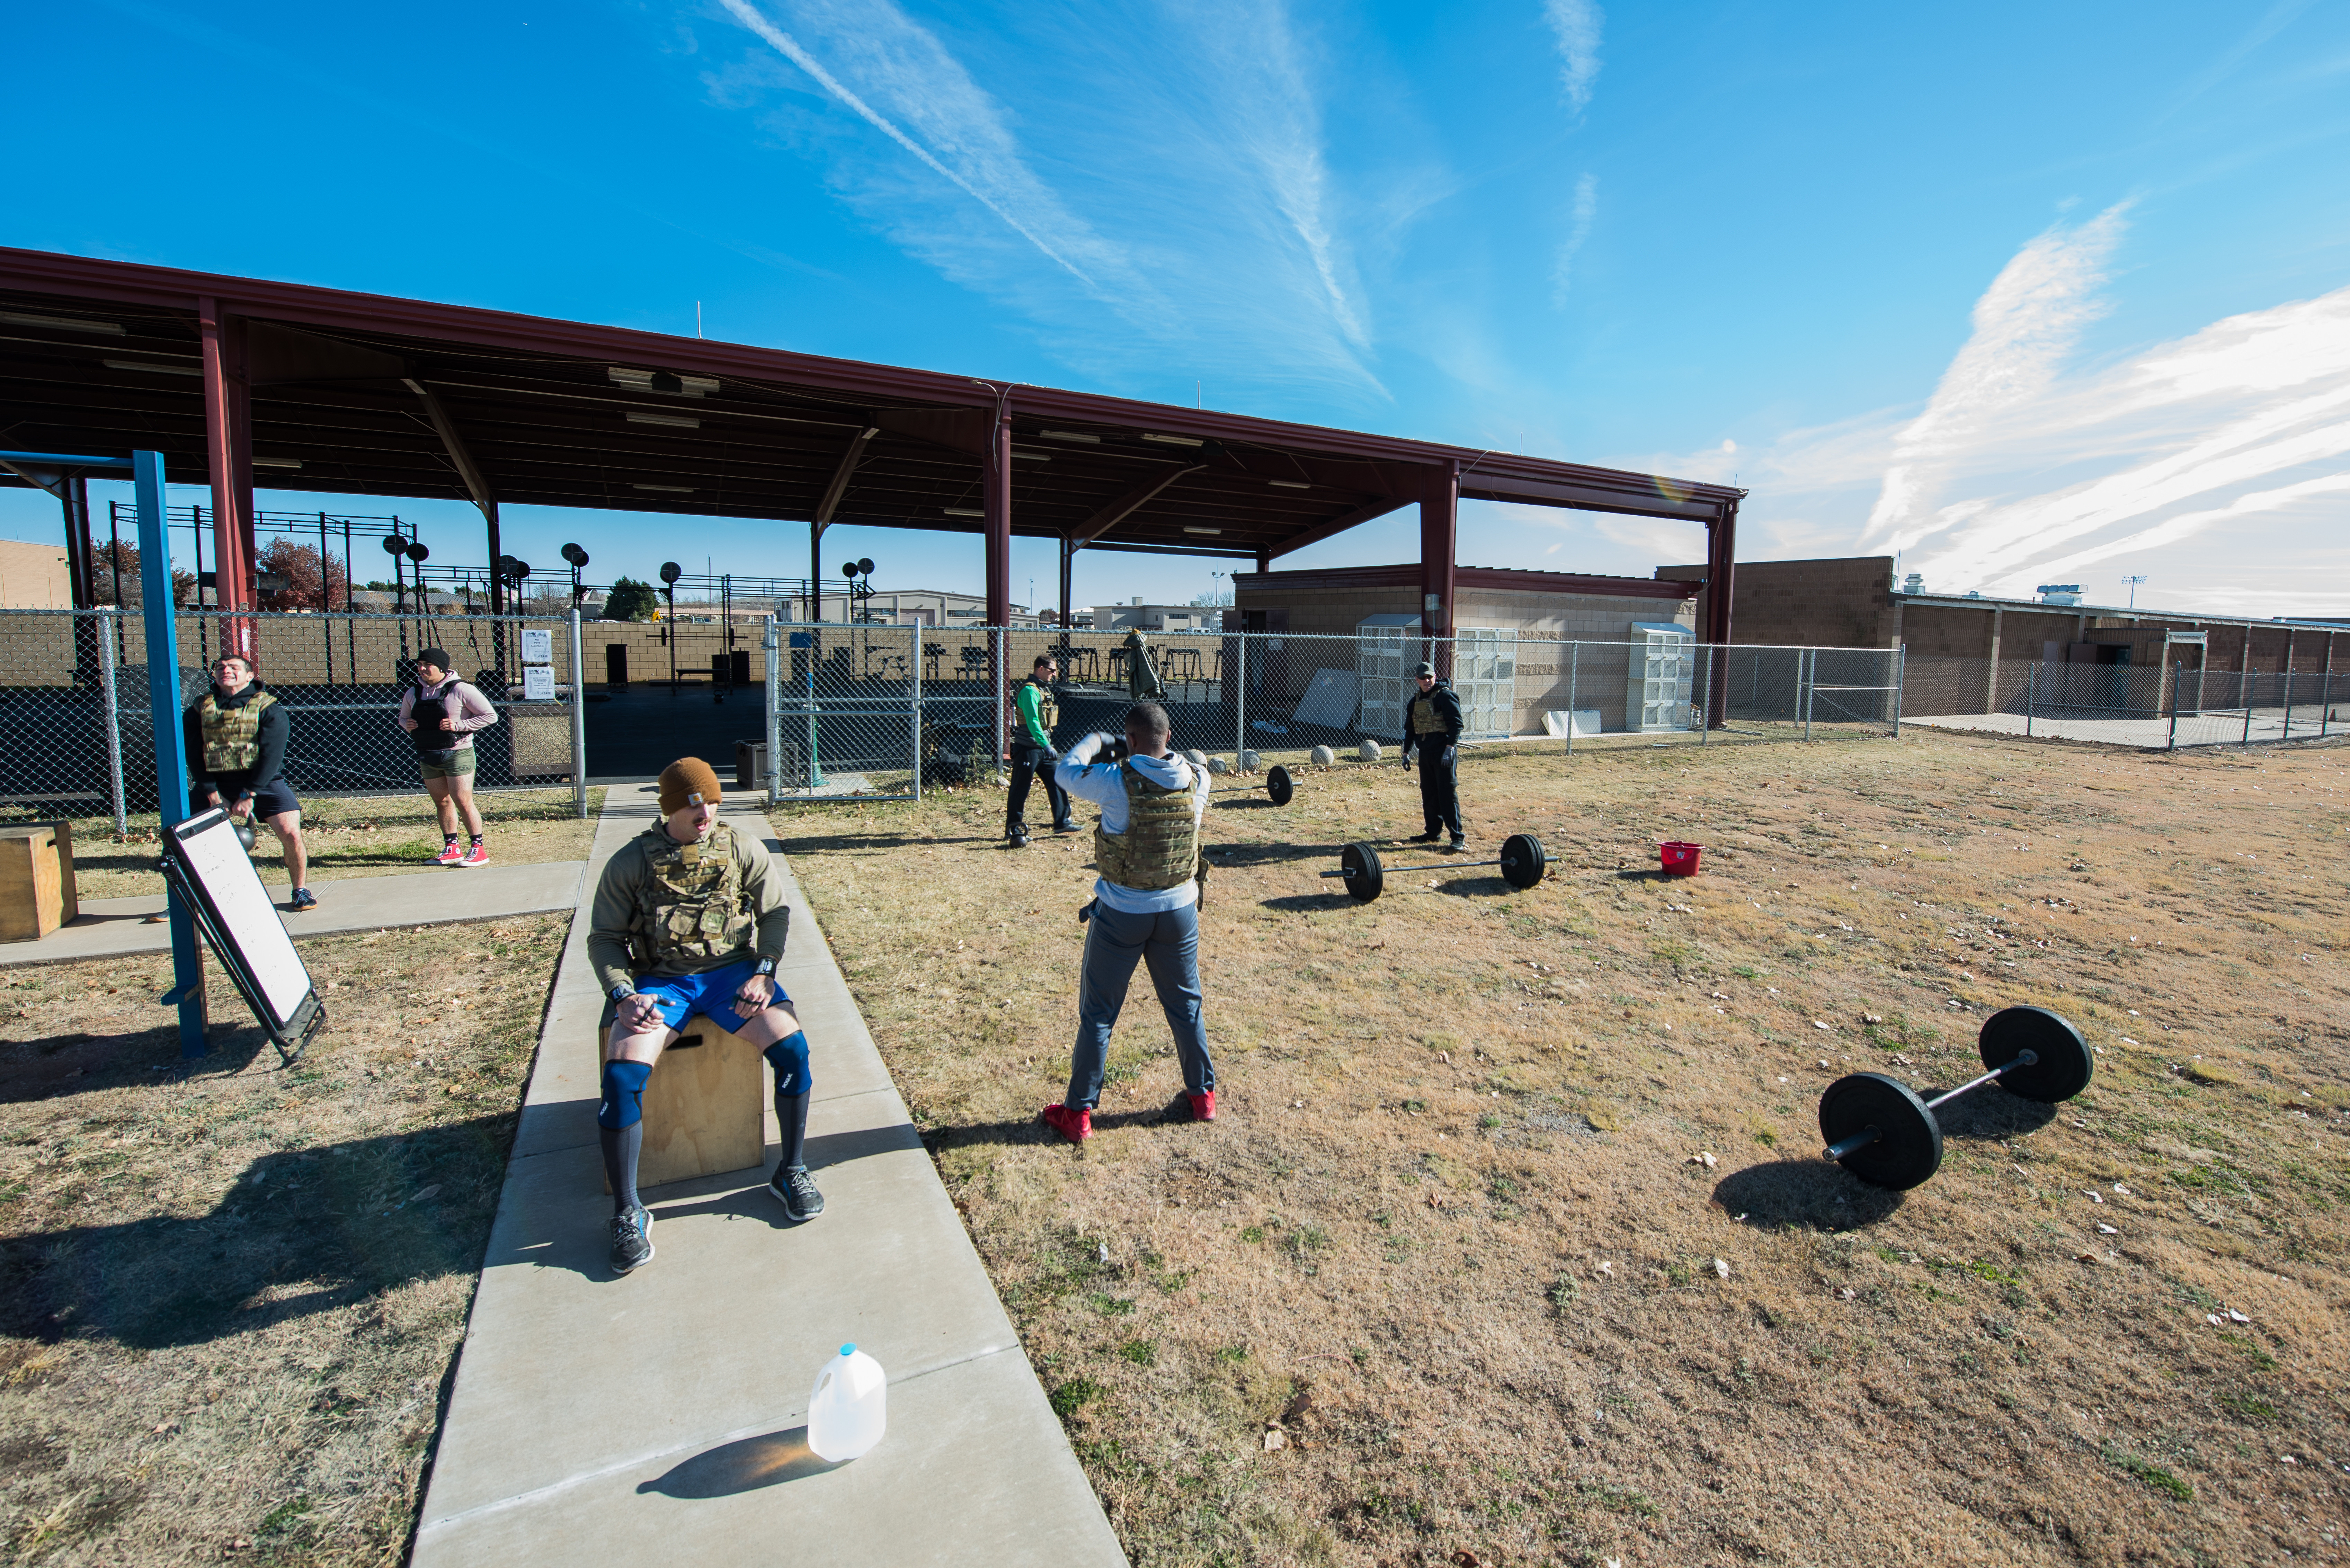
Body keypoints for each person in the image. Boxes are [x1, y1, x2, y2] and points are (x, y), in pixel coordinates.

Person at [585, 758, 820, 1274]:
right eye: (695, 805)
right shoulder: (631, 862)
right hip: (661, 980)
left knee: (794, 1051)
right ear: (670, 808)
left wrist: (764, 971)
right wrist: (623, 994)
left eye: (713, 802)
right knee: (622, 1075)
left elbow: (774, 912)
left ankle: (791, 1170)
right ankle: (627, 1211)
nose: (706, 814)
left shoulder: (740, 845)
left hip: (732, 976)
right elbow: (603, 938)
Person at [1039, 701, 1215, 1144]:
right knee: (1186, 1005)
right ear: (1169, 737)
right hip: (1179, 911)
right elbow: (1191, 778)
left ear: (1130, 739)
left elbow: (1064, 771)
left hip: (1123, 912)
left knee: (1098, 1013)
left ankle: (1078, 1112)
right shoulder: (1199, 779)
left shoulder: (1115, 781)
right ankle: (1203, 1096)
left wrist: (1098, 741)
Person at [184, 652, 315, 911]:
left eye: (234, 667)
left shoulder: (268, 708)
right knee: (188, 839)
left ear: (250, 676)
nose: (226, 670)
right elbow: (193, 751)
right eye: (220, 667)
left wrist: (250, 793)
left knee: (291, 833)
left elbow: (272, 754)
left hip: (263, 782)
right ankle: (191, 896)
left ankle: (300, 890)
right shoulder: (200, 708)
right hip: (215, 782)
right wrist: (210, 791)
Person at [397, 648, 499, 867]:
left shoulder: (462, 689)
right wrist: (408, 725)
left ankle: (478, 849)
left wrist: (459, 725)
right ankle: (452, 848)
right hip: (428, 754)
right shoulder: (414, 693)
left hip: (458, 753)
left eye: (428, 665)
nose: (422, 669)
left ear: (442, 668)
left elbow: (490, 716)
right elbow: (403, 718)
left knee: (463, 801)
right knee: (442, 802)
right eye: (420, 664)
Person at [1005, 653, 1077, 847]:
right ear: (1041, 669)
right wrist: (1045, 745)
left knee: (1058, 781)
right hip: (1029, 748)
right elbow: (1033, 721)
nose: (1054, 675)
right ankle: (1014, 828)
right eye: (1052, 671)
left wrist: (1046, 745)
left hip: (1043, 749)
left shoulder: (1042, 690)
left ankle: (1062, 821)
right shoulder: (1030, 691)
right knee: (1020, 790)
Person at [1399, 659, 1465, 849]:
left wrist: (1450, 749)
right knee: (1428, 794)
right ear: (1417, 680)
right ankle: (1432, 833)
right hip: (1426, 754)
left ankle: (1457, 837)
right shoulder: (1415, 701)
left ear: (1435, 678)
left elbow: (1457, 725)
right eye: (1423, 678)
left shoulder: (1446, 697)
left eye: (1430, 678)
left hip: (1444, 753)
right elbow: (1411, 729)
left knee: (1447, 795)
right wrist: (1406, 753)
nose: (1427, 681)